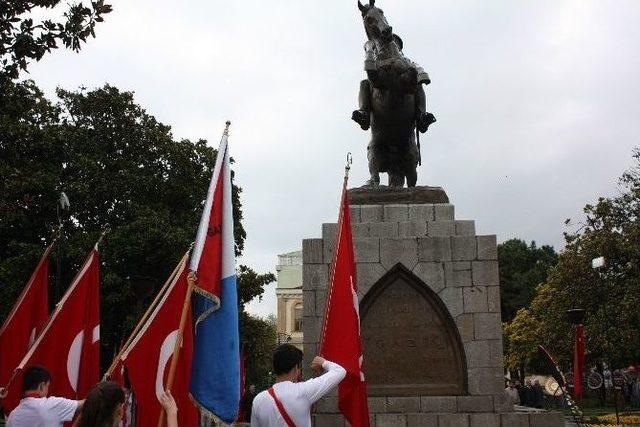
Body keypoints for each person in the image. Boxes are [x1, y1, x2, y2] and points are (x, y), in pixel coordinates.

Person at [251, 344, 346, 427]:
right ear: (296, 368)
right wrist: (323, 362)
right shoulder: (303, 391)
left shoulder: (258, 400)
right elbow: (340, 371)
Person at [6, 365, 84, 427]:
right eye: (48, 386)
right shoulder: (52, 405)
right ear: (42, 386)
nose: (47, 390)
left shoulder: (12, 416)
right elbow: (85, 403)